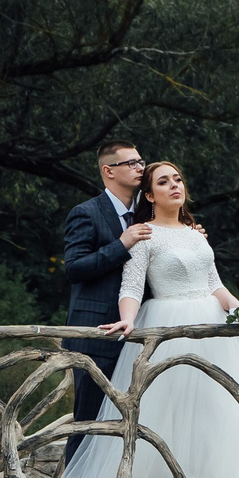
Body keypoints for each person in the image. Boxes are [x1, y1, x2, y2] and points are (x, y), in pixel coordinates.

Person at [50, 161, 239, 478]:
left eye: (178, 179)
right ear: (150, 195)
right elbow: (131, 286)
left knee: (217, 407)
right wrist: (127, 320)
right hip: (170, 323)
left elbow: (214, 284)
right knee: (169, 409)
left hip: (212, 328)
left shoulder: (196, 233)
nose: (174, 185)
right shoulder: (144, 235)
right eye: (163, 181)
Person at [60, 140, 152, 430]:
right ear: (108, 171)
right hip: (95, 335)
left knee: (135, 423)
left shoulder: (149, 214)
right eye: (132, 163)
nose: (141, 168)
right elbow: (74, 269)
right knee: (88, 423)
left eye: (141, 162)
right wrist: (121, 244)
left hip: (142, 335)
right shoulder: (86, 213)